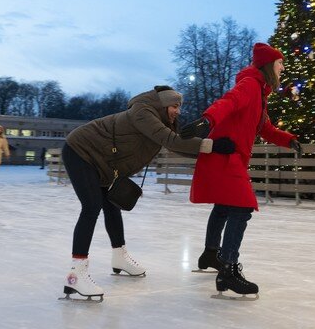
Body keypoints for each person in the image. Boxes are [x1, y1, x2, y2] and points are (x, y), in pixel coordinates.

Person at [60, 85, 235, 302]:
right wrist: (212, 145)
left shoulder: (161, 121)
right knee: (91, 207)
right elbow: (171, 140)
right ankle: (75, 275)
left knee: (111, 207)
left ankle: (119, 257)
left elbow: (177, 146)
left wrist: (213, 149)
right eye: (174, 106)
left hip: (103, 161)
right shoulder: (143, 112)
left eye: (179, 107)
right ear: (163, 104)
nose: (177, 111)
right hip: (81, 151)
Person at [182, 43, 301, 299]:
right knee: (243, 207)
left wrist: (288, 139)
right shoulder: (249, 85)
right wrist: (208, 120)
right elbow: (228, 102)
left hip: (231, 158)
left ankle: (212, 253)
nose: (283, 69)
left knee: (225, 206)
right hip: (225, 157)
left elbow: (264, 128)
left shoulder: (260, 93)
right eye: (280, 64)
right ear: (269, 65)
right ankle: (228, 270)